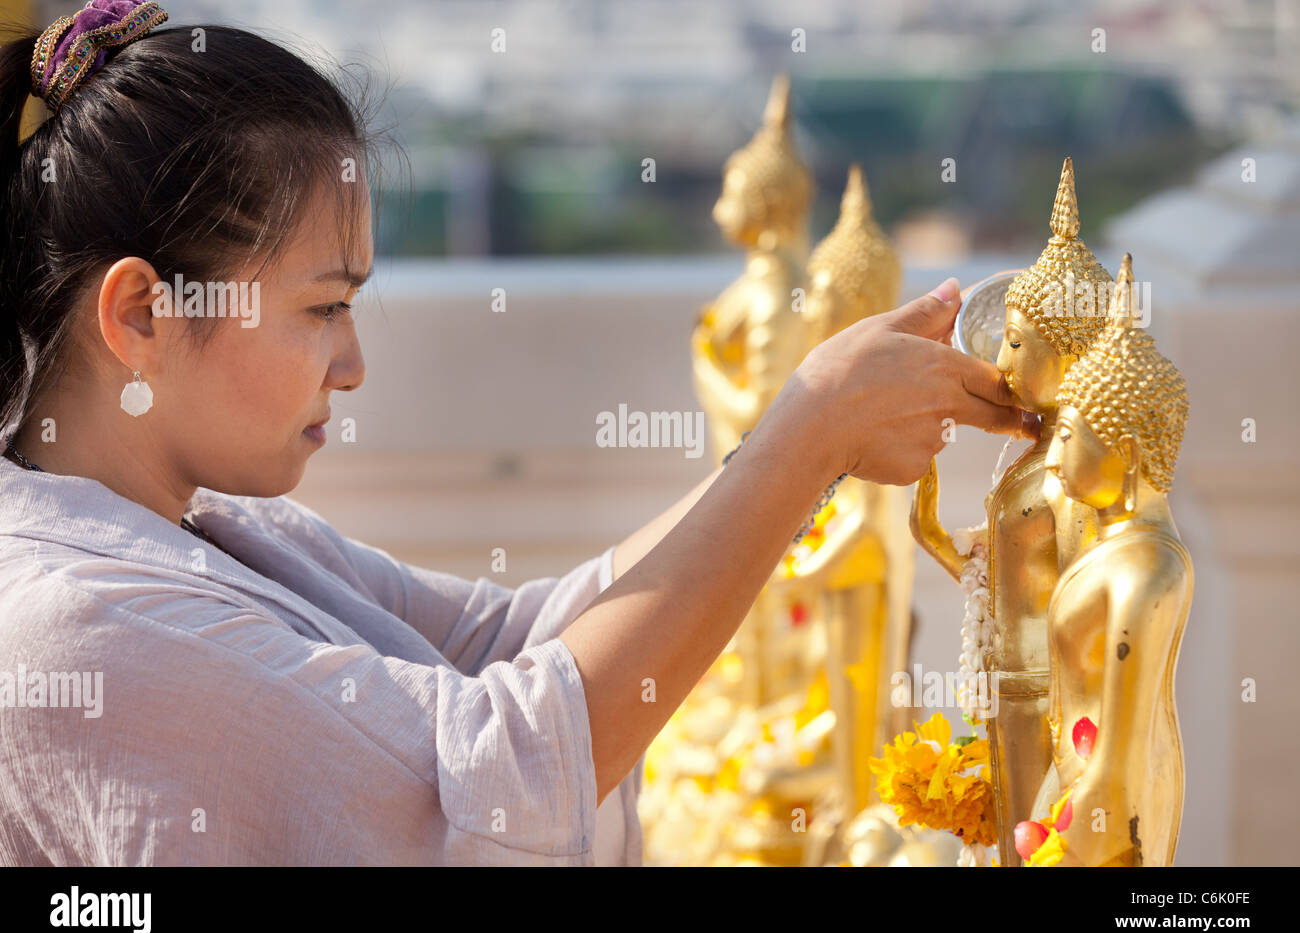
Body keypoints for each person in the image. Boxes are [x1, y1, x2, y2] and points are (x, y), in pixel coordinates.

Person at [0, 1, 1032, 865]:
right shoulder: (79, 627)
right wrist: (805, 436)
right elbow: (493, 779)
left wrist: (807, 436)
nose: (352, 365)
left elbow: (515, 639)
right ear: (142, 313)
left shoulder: (206, 528)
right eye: (322, 309)